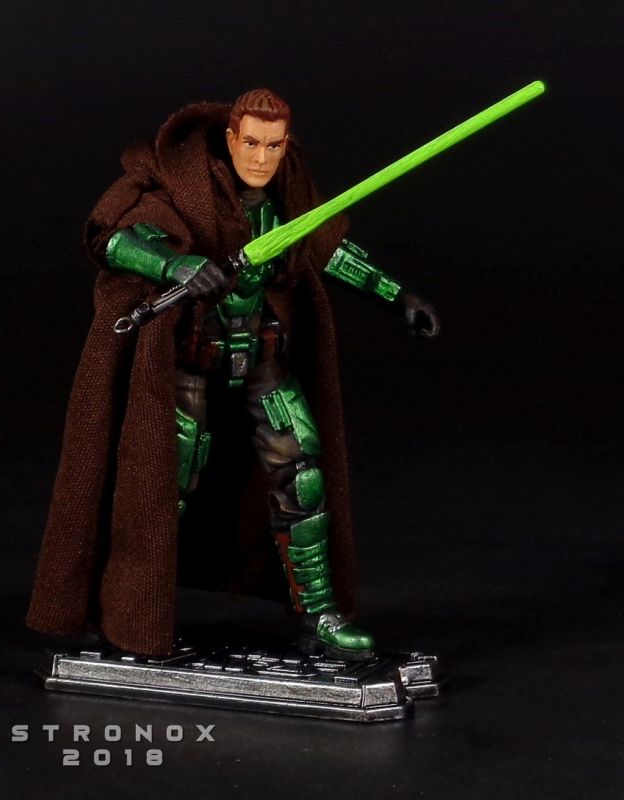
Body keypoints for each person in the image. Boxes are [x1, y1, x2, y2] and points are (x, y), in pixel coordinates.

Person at [27, 88, 438, 660]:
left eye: (274, 146)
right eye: (251, 143)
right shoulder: (187, 189)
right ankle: (128, 614)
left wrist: (398, 296)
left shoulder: (287, 199)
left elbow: (328, 249)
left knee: (302, 477)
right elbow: (118, 237)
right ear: (231, 139)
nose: (261, 158)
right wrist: (174, 264)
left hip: (261, 361)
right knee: (161, 484)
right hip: (191, 363)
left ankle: (319, 615)